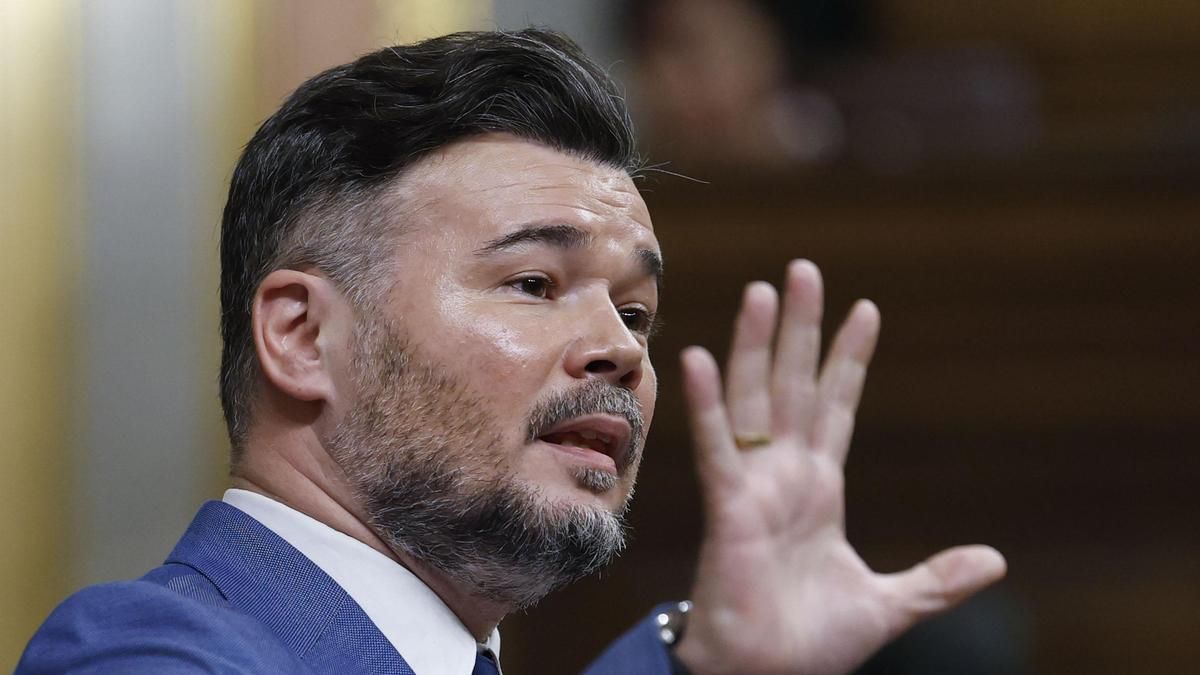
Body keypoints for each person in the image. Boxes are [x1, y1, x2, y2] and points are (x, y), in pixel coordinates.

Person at [17, 29, 1005, 675]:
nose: (618, 349)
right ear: (303, 336)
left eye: (636, 312)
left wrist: (706, 660)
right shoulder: (141, 654)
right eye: (534, 284)